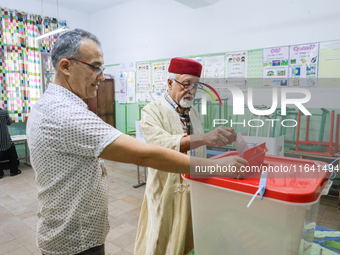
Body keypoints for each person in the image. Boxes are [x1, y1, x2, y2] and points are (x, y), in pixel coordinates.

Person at [26, 29, 247, 255]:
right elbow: (147, 154)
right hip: (74, 240)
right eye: (95, 67)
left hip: (76, 232)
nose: (101, 76)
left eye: (195, 85)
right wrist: (218, 165)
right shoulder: (65, 114)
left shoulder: (52, 105)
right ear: (66, 67)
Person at [134, 57, 247, 255]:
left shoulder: (192, 110)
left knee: (188, 234)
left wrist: (213, 140)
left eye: (196, 86)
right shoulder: (152, 111)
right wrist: (204, 137)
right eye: (186, 84)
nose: (191, 91)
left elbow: (196, 144)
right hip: (166, 188)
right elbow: (160, 146)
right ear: (170, 83)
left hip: (192, 187)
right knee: (163, 234)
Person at [0, 107, 21, 179]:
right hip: (5, 138)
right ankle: (14, 171)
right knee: (12, 155)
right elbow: (9, 122)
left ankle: (0, 174)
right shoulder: (4, 112)